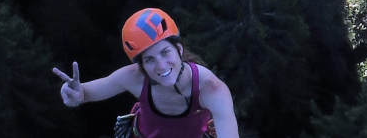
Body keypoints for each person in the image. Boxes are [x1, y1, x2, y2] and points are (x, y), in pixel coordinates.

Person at [52, 8, 240, 138]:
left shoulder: (211, 90)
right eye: (149, 59)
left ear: (179, 50)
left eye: (165, 52)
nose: (160, 65)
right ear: (141, 66)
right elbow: (85, 93)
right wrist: (74, 94)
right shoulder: (134, 78)